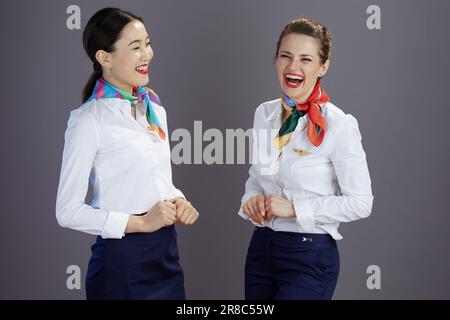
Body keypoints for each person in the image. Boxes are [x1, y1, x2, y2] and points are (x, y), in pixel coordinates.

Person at [55, 7, 199, 300]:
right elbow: (66, 212)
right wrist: (143, 223)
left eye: (147, 43)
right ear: (104, 58)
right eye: (136, 47)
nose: (148, 54)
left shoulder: (154, 109)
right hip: (121, 262)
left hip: (166, 255)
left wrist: (179, 199)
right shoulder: (88, 120)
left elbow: (156, 181)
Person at [238, 17, 373, 300]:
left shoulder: (340, 124)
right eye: (285, 56)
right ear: (276, 60)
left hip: (309, 255)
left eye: (306, 59)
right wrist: (249, 199)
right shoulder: (264, 114)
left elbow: (361, 203)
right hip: (261, 249)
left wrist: (295, 209)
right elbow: (256, 177)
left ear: (323, 66)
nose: (293, 67)